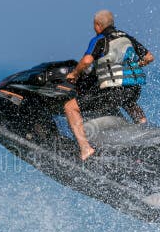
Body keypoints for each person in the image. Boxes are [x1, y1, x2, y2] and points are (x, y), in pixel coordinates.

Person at [64, 10, 155, 160]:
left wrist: (74, 74)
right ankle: (145, 132)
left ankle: (85, 149)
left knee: (70, 107)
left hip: (114, 91)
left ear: (98, 25)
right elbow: (149, 57)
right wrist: (136, 64)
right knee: (128, 102)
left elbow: (87, 61)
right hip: (134, 90)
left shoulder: (100, 39)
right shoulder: (127, 37)